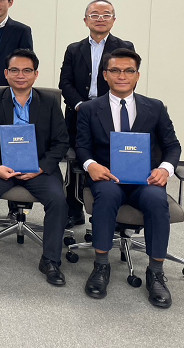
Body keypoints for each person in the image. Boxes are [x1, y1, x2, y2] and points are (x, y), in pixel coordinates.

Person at [76, 48, 181, 308]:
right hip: (107, 177)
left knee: (157, 201)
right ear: (105, 75)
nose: (122, 76)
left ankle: (156, 272)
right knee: (107, 196)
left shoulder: (155, 107)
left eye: (128, 71)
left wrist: (165, 169)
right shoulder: (90, 109)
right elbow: (82, 147)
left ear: (137, 75)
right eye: (115, 70)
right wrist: (91, 165)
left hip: (145, 179)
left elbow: (172, 146)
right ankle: (101, 266)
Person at [0, 49, 69, 285]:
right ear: (6, 73)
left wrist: (41, 168)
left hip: (38, 168)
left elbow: (61, 142)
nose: (20, 75)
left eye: (26, 70)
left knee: (58, 200)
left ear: (35, 74)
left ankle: (51, 260)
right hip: (2, 167)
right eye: (14, 70)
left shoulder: (49, 103)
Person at [59, 0, 135, 228]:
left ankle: (110, 211)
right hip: (78, 112)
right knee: (76, 159)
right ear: (85, 20)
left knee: (110, 158)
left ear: (114, 19)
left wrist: (103, 106)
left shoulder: (125, 47)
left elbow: (126, 80)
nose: (100, 19)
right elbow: (65, 83)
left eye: (106, 15)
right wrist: (80, 105)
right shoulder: (74, 49)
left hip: (111, 113)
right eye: (94, 15)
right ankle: (73, 210)